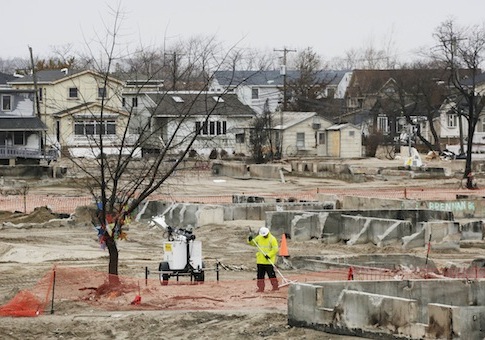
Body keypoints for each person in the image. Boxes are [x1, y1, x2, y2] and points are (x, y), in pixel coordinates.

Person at [247, 227, 279, 292]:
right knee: (260, 276)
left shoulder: (272, 239)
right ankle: (261, 288)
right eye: (263, 235)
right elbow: (253, 243)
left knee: (271, 275)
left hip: (268, 261)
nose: (264, 236)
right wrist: (250, 240)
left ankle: (275, 287)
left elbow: (275, 249)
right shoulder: (259, 237)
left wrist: (269, 255)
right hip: (260, 260)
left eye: (265, 235)